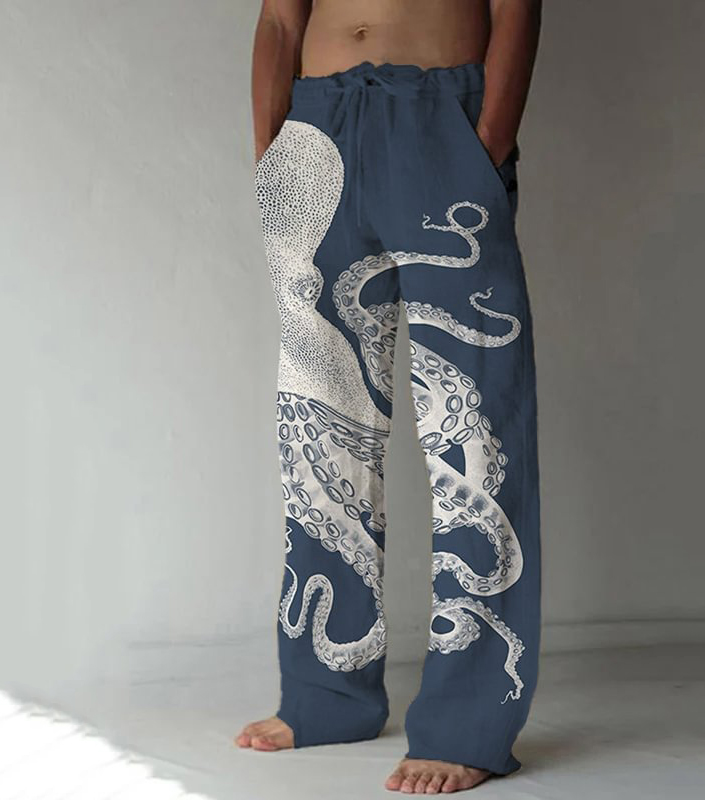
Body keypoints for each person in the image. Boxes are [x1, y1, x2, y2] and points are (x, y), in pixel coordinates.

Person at [236, 0, 542, 793]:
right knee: (320, 415)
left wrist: (486, 141)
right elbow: (279, 20)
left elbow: (515, 9)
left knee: (474, 426)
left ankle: (468, 725)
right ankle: (327, 694)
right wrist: (272, 151)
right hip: (317, 126)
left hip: (444, 122)